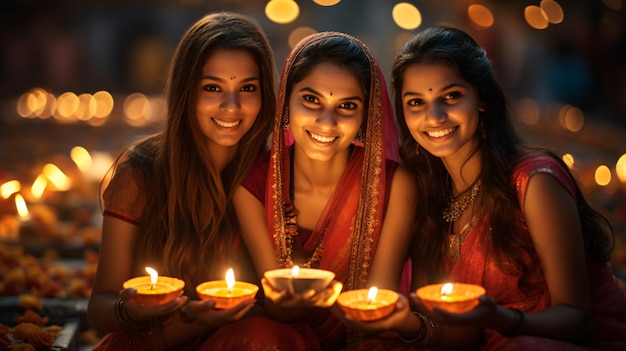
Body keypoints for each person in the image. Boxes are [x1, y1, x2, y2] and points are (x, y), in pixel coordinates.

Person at [339, 26, 626, 350]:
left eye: (450, 97)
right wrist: (402, 323)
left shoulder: (534, 182)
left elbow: (577, 319)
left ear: (483, 99)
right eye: (416, 102)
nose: (434, 116)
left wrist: (500, 319)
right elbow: (444, 331)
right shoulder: (424, 190)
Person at [202, 31, 415, 350]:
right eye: (311, 99)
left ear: (365, 116)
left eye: (346, 106)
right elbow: (276, 305)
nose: (326, 122)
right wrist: (292, 298)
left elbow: (377, 306)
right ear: (286, 101)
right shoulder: (252, 184)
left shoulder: (395, 184)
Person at [86, 12, 277, 350]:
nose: (231, 106)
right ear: (186, 91)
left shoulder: (270, 177)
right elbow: (100, 310)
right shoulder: (142, 173)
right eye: (213, 88)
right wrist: (133, 309)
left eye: (247, 88)